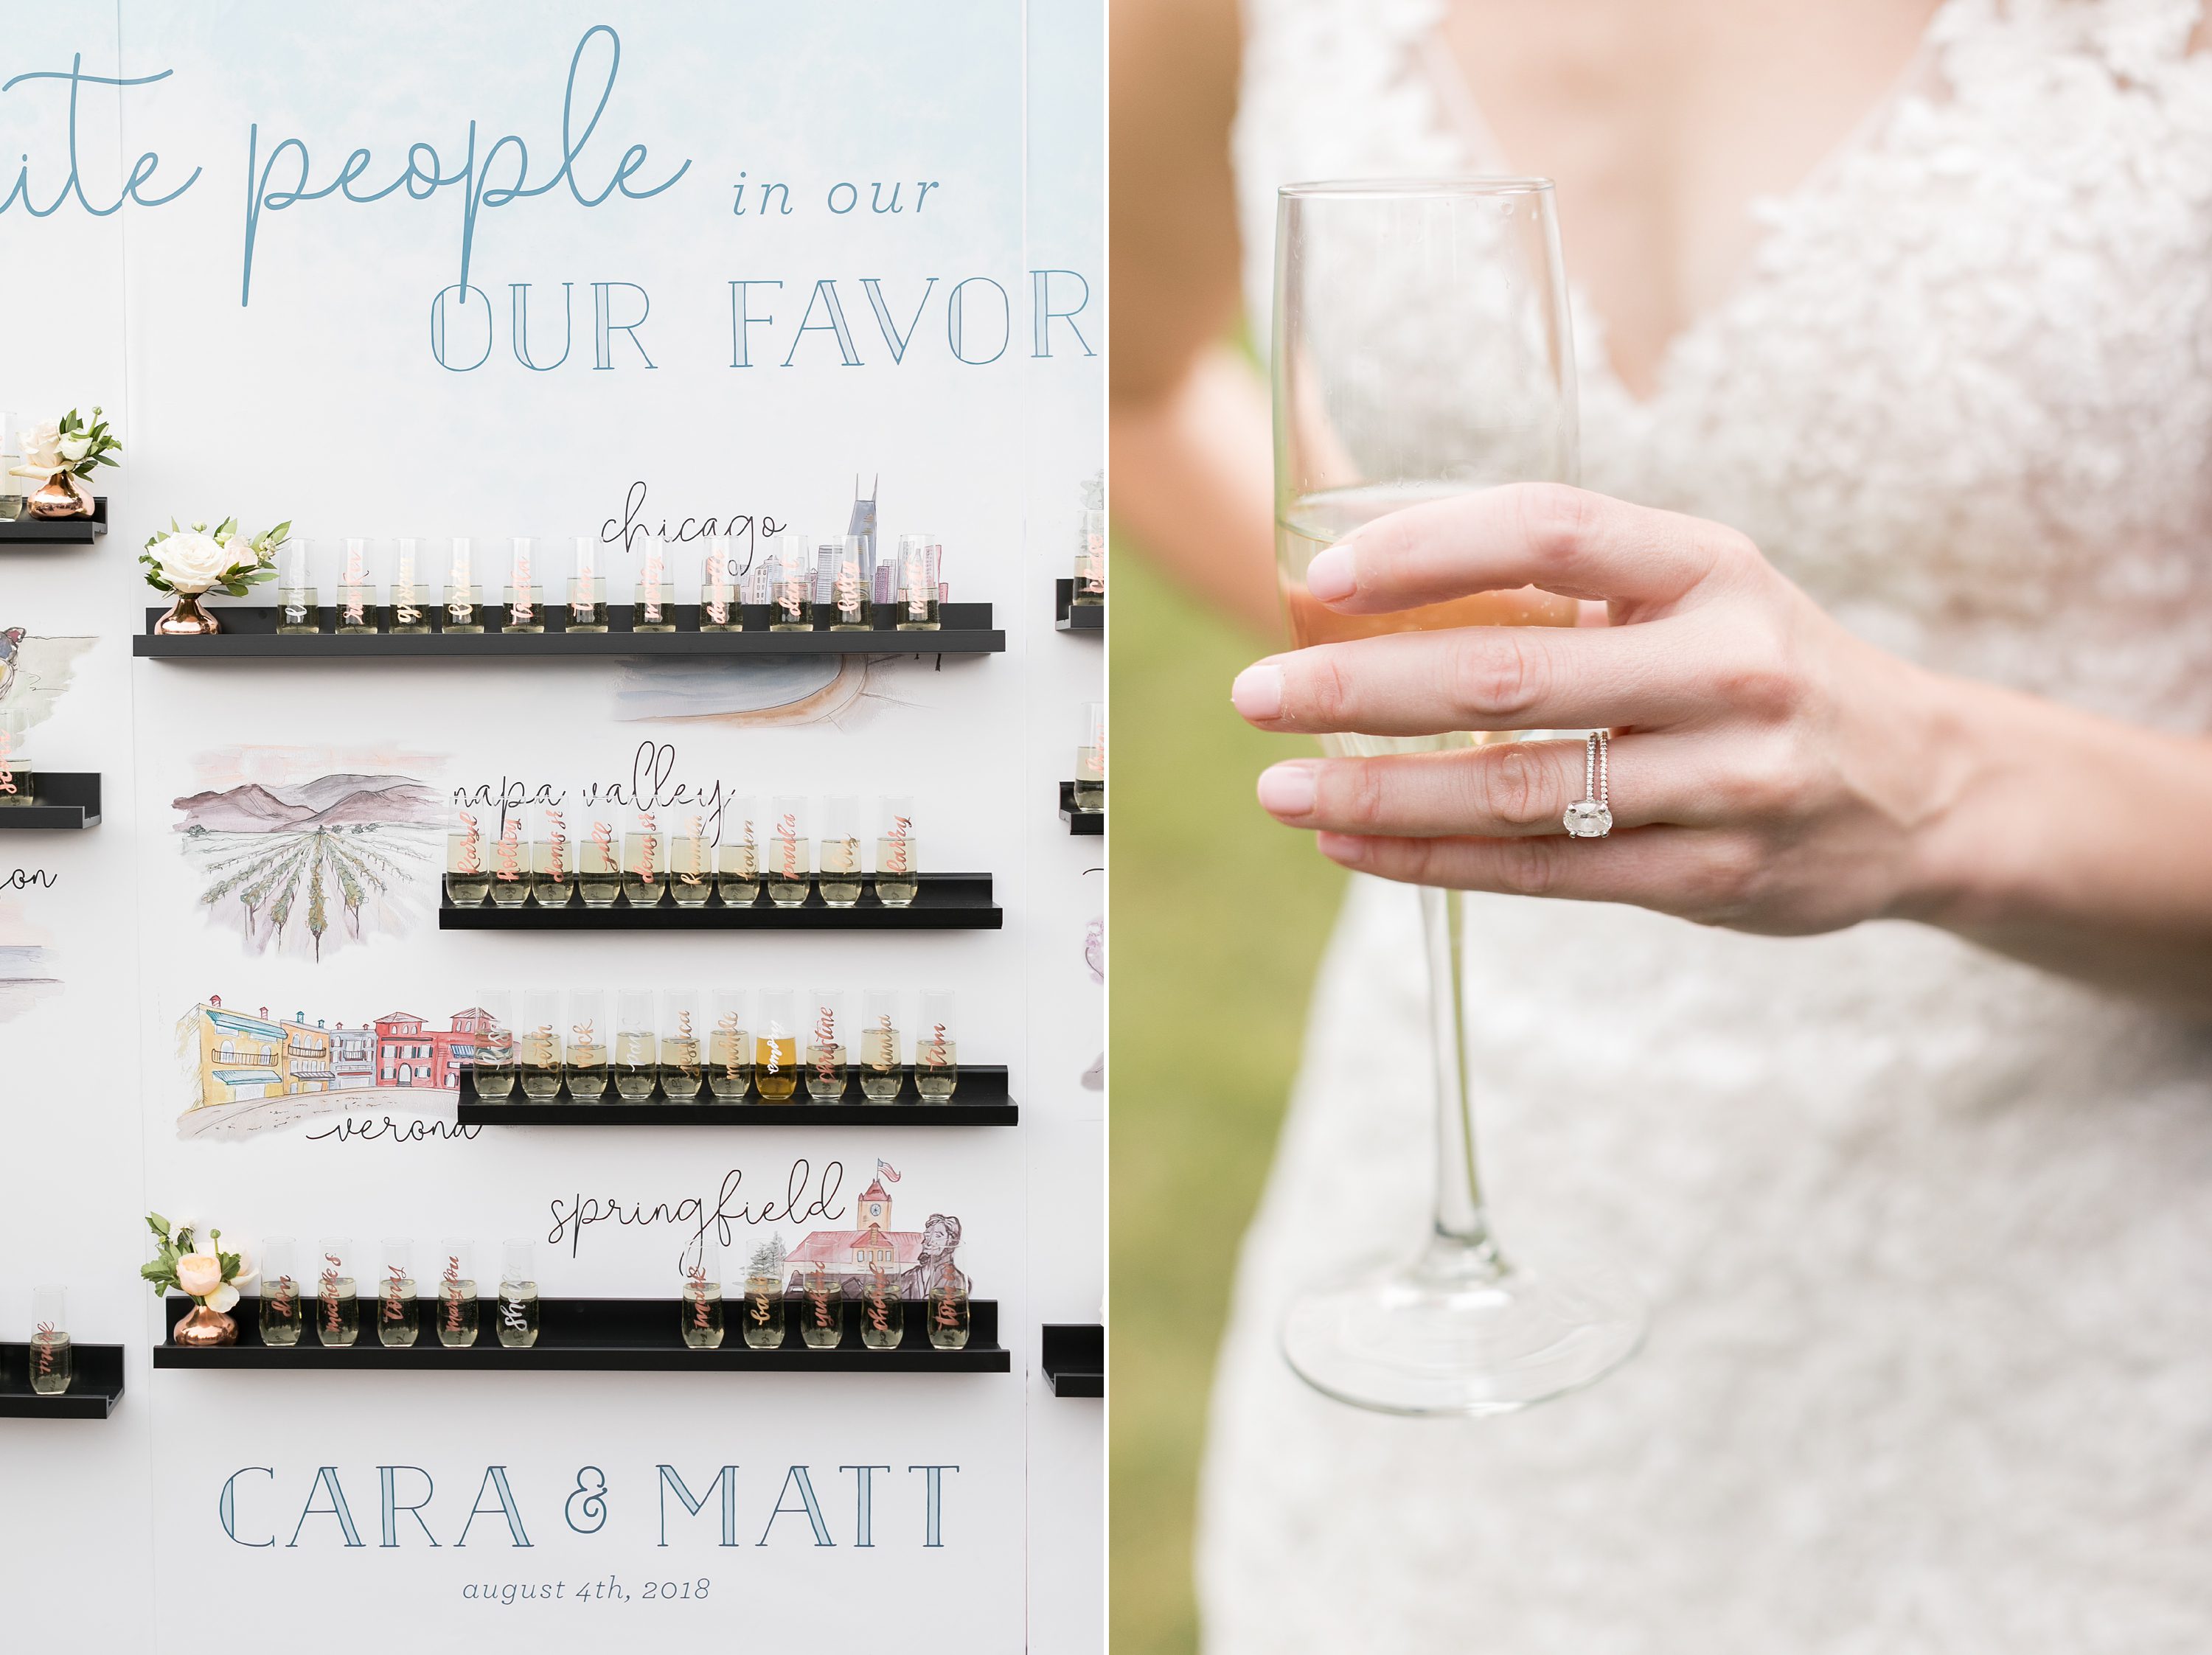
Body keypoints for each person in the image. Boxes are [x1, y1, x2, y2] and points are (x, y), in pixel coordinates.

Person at [1113, 0, 2212, 1648]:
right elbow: (1113, 369)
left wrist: (1936, 783)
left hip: (2088, 1333)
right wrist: (1463, 698)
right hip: (1443, 1297)